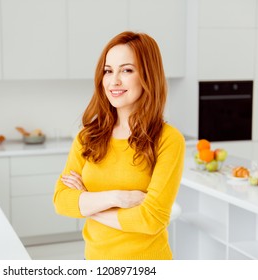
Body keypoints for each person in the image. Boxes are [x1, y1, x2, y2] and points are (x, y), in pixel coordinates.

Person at [53, 31, 185, 260]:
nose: (114, 81)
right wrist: (116, 198)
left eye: (126, 70)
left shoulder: (168, 139)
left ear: (148, 75)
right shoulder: (87, 137)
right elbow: (62, 201)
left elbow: (152, 219)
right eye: (108, 71)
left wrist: (87, 202)